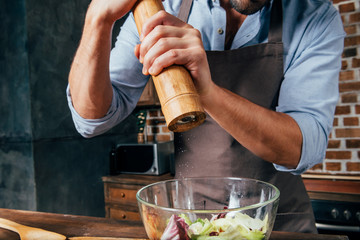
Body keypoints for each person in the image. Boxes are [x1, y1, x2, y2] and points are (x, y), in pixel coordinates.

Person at [67, 0, 345, 233]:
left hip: (278, 226)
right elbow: (92, 119)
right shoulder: (166, 5)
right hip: (194, 225)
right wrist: (98, 20)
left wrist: (208, 92)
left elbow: (300, 147)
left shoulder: (315, 17)